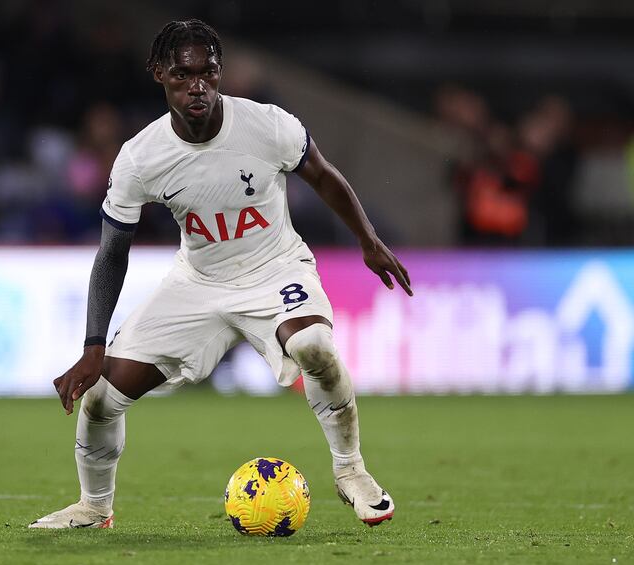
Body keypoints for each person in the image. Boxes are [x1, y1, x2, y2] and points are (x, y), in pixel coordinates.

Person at [30, 19, 413, 531]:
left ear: (219, 73)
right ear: (158, 74)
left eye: (208, 73)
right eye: (183, 74)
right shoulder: (141, 158)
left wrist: (367, 240)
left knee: (314, 348)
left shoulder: (267, 124)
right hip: (197, 282)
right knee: (100, 399)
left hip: (275, 268)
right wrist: (94, 345)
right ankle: (94, 507)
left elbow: (322, 173)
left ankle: (352, 472)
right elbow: (112, 252)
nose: (198, 86)